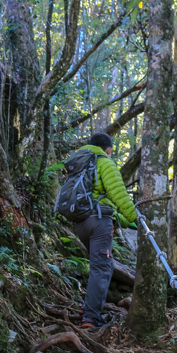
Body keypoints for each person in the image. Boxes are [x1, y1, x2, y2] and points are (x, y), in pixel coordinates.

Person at [66, 133, 137, 330]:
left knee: (99, 264)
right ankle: (91, 318)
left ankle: (88, 307)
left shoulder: (80, 163)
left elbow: (102, 204)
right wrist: (135, 217)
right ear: (108, 149)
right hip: (98, 223)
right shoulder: (104, 162)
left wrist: (128, 223)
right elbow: (119, 195)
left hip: (80, 222)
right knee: (102, 267)